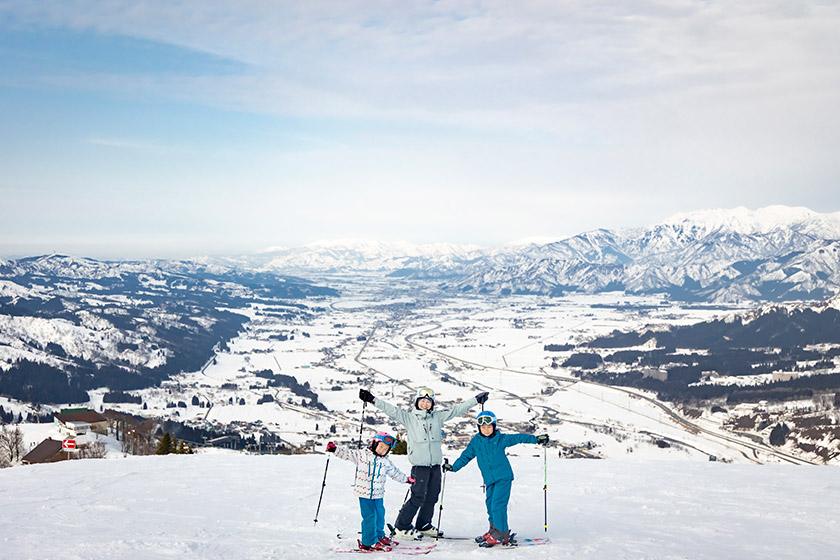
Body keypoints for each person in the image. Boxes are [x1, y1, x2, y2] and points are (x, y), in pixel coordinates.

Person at [359, 386, 489, 540]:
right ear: (417, 402)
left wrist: (475, 400)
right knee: (417, 497)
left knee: (433, 496)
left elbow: (456, 410)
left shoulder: (437, 417)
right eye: (422, 401)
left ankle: (423, 524)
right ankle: (402, 526)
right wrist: (372, 399)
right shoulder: (409, 418)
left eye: (428, 402)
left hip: (435, 465)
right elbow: (390, 409)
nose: (425, 404)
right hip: (419, 465)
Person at [443, 410, 549, 547]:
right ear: (478, 427)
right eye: (483, 427)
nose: (486, 430)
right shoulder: (476, 442)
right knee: (490, 506)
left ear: (494, 426)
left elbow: (518, 438)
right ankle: (494, 530)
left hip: (503, 478)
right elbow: (466, 456)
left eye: (489, 426)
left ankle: (502, 535)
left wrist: (536, 439)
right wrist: (453, 467)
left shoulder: (501, 439)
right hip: (489, 480)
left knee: (498, 506)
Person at [327, 432, 414, 551]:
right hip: (364, 493)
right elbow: (347, 454)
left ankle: (379, 536)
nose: (383, 450)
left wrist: (406, 479)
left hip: (378, 494)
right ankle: (368, 542)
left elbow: (395, 472)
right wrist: (335, 449)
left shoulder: (385, 461)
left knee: (380, 515)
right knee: (370, 517)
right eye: (381, 446)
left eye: (386, 449)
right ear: (374, 444)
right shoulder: (362, 455)